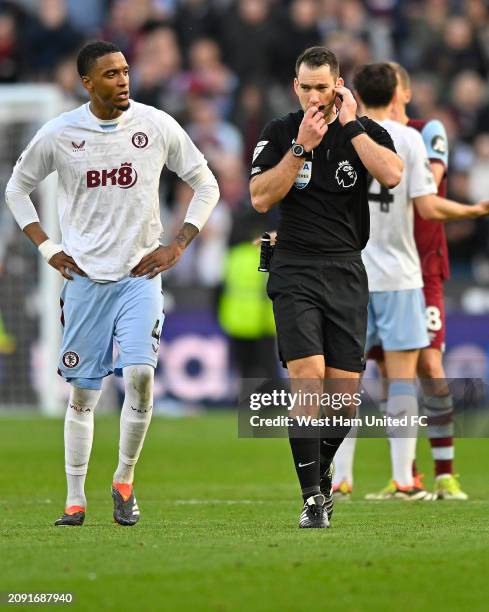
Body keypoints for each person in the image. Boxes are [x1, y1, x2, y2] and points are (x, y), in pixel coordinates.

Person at [5, 41, 219, 527]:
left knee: (141, 378)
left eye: (125, 71)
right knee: (83, 396)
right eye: (111, 74)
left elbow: (206, 183)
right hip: (83, 279)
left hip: (138, 276)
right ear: (87, 83)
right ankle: (75, 498)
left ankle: (123, 479)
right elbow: (17, 188)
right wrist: (46, 246)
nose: (123, 80)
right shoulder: (61, 133)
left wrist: (178, 245)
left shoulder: (156, 124)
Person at [249, 46, 403, 528]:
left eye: (323, 86)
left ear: (339, 86)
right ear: (295, 87)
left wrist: (352, 126)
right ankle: (313, 498)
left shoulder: (366, 131)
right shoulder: (279, 132)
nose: (314, 96)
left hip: (346, 269)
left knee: (344, 397)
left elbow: (392, 175)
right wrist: (300, 149)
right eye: (306, 87)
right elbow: (259, 198)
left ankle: (319, 464)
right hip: (294, 267)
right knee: (308, 377)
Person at [332, 62, 489, 500]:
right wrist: (474, 211)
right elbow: (428, 207)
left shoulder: (345, 136)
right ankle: (405, 479)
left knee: (347, 380)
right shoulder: (410, 139)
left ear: (358, 94)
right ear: (400, 93)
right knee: (402, 379)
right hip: (402, 275)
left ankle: (340, 477)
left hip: (352, 276)